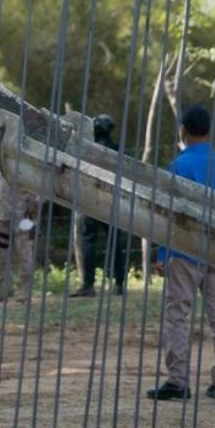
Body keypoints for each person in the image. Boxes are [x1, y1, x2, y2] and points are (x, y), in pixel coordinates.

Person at [147, 104, 215, 402]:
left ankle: (178, 380)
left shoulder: (178, 166)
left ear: (183, 130)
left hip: (186, 250)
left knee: (177, 314)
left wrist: (162, 254)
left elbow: (168, 215)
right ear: (208, 131)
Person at [72, 114, 129, 297]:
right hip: (111, 200)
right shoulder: (117, 150)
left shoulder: (87, 149)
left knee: (89, 240)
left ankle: (88, 284)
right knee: (114, 241)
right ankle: (119, 284)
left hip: (90, 199)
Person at [0, 169, 38, 302]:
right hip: (3, 213)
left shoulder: (26, 160)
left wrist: (35, 204)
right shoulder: (3, 160)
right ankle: (1, 288)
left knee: (24, 251)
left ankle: (25, 289)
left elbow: (36, 184)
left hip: (23, 214)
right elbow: (0, 184)